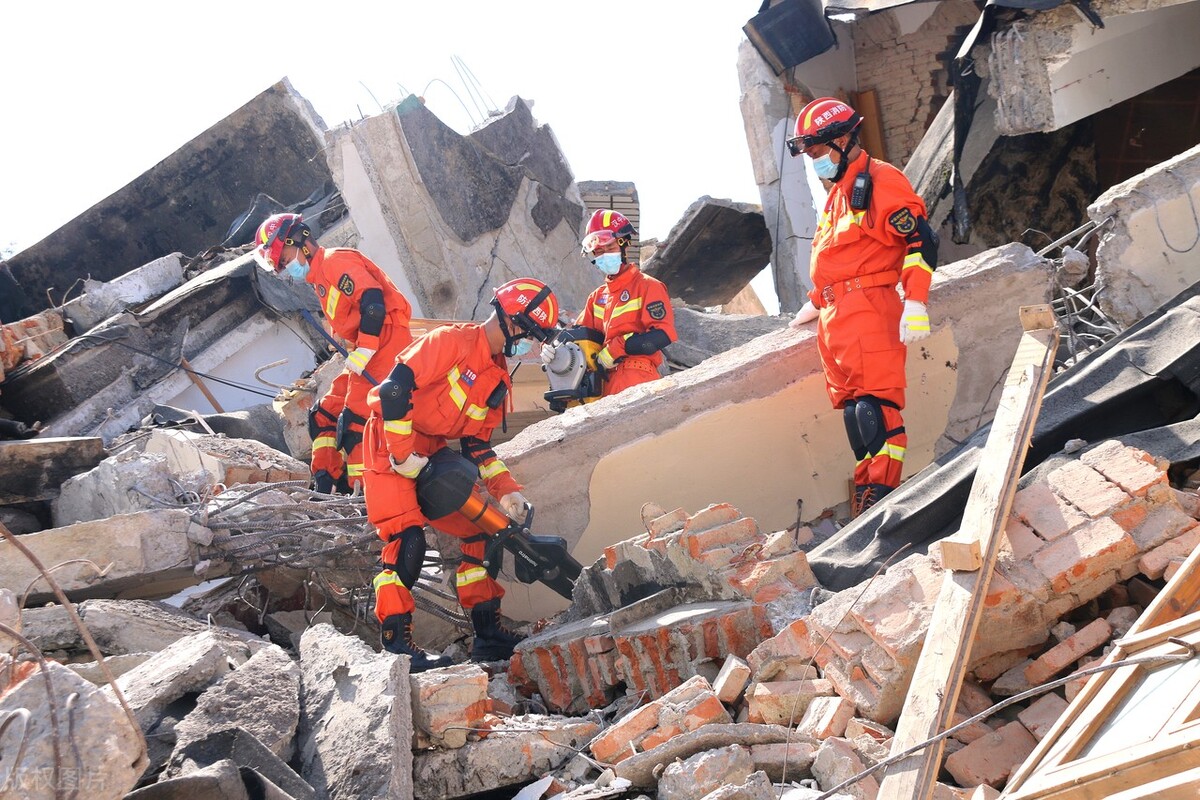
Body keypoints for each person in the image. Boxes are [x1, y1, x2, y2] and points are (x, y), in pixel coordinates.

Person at [362, 278, 560, 671]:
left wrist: (507, 491)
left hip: (431, 454)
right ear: (511, 319)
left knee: (482, 532)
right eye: (530, 332)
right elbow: (394, 391)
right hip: (389, 442)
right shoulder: (450, 341)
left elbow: (476, 445)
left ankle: (487, 637)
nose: (531, 343)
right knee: (408, 541)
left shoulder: (498, 378)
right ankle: (396, 649)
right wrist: (403, 455)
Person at [786, 97, 938, 517]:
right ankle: (866, 496)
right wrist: (815, 304)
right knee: (856, 416)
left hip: (869, 308)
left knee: (876, 409)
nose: (814, 161)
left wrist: (917, 302)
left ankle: (882, 499)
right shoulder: (837, 196)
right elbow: (837, 261)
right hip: (836, 318)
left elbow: (921, 241)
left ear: (843, 139)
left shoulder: (880, 180)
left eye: (817, 152)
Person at [253, 213, 414, 493]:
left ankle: (366, 495)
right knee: (323, 415)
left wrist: (365, 347)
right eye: (279, 265)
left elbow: (373, 304)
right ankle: (326, 487)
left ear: (299, 241)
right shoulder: (320, 279)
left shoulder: (335, 262)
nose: (285, 267)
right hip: (367, 351)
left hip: (387, 344)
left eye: (284, 258)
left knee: (355, 423)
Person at [541, 209, 677, 397]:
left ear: (624, 244)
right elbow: (576, 337)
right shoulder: (596, 297)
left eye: (610, 248)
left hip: (636, 377)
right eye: (599, 251)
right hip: (602, 383)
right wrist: (551, 349)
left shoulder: (648, 287)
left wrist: (615, 349)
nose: (604, 255)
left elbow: (661, 335)